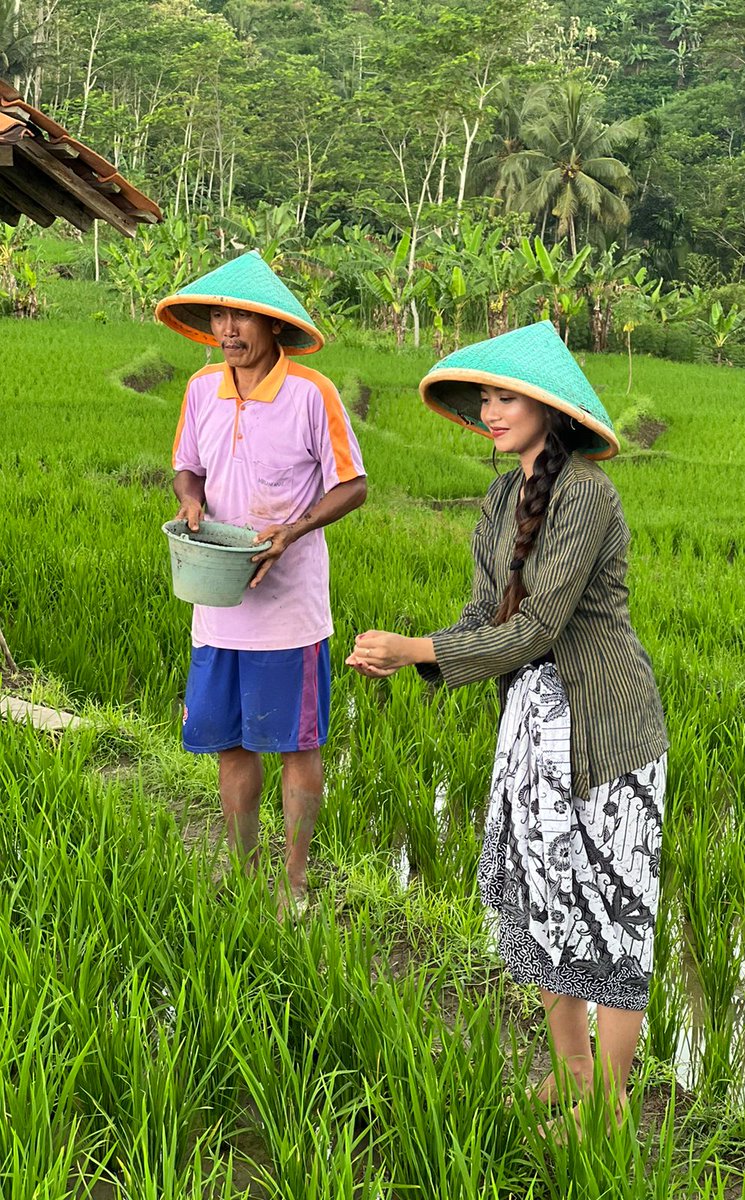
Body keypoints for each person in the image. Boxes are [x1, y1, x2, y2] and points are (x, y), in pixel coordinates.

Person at [347, 320, 667, 1127]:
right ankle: (570, 1075)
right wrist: (415, 655)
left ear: (548, 409)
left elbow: (537, 628)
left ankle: (614, 1104)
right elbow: (481, 614)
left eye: (506, 396)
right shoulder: (499, 496)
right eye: (484, 397)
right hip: (531, 732)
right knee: (546, 899)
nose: (489, 410)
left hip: (607, 731)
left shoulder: (588, 493)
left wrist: (421, 648)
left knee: (613, 914)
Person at [156, 251, 366, 918]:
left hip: (290, 610)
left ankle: (295, 882)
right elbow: (188, 468)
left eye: (242, 315)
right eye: (220, 315)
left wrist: (293, 530)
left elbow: (353, 484)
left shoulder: (312, 393)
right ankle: (246, 874)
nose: (229, 328)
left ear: (274, 326)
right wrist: (191, 504)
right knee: (229, 743)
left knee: (298, 745)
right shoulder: (199, 390)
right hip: (218, 604)